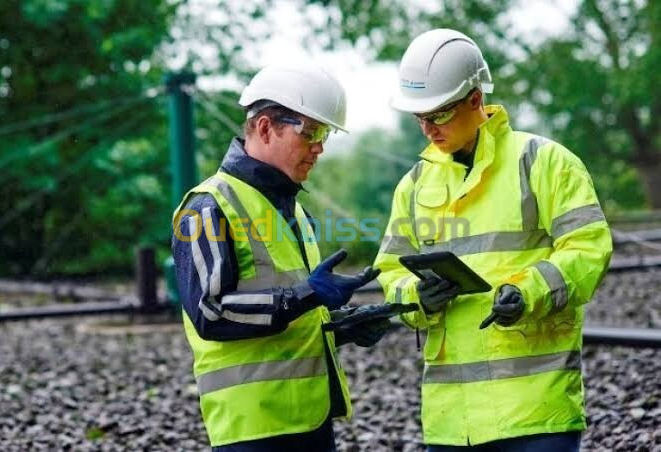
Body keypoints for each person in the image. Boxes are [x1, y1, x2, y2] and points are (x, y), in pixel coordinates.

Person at [374, 29, 612, 451]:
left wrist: (528, 290)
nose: (427, 128)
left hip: (536, 415)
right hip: (452, 423)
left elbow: (589, 248)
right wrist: (417, 298)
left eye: (438, 114)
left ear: (474, 99)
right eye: (419, 117)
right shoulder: (411, 187)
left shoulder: (544, 163)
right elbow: (391, 272)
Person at [171, 64, 388, 451]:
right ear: (267, 127)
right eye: (313, 132)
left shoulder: (294, 212)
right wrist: (307, 296)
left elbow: (287, 317)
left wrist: (341, 326)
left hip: (311, 419)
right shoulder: (206, 207)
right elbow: (212, 313)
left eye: (326, 134)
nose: (320, 147)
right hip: (253, 429)